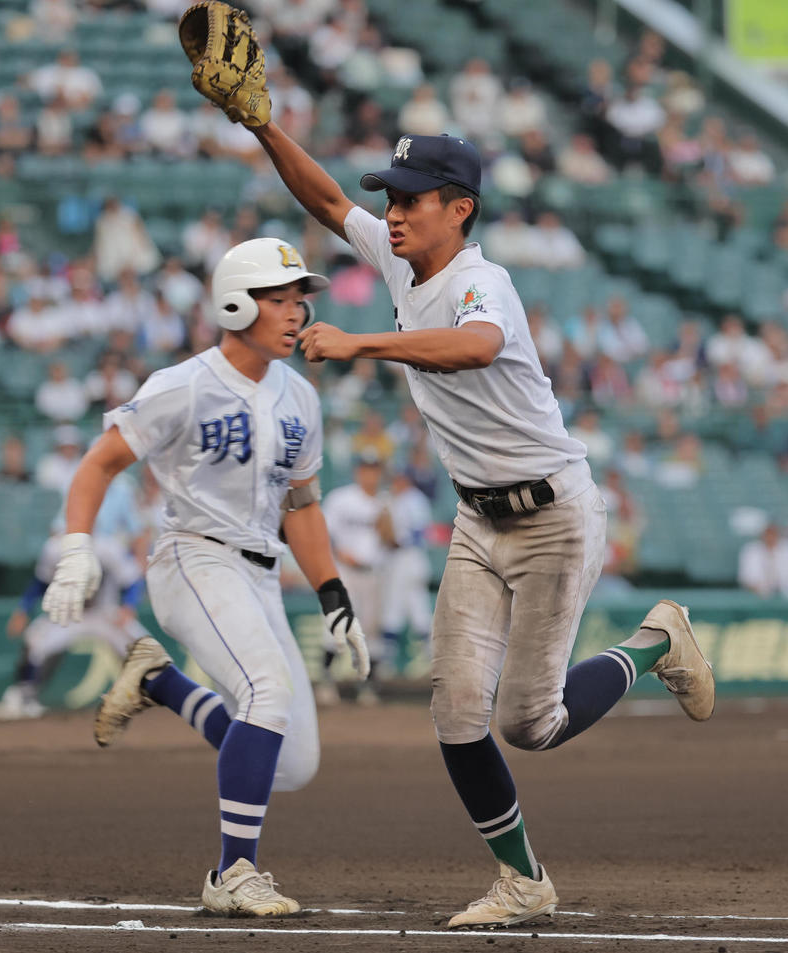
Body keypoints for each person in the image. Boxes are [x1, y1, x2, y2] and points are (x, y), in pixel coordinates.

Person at [248, 117, 714, 929]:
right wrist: (260, 123)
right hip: (476, 519)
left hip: (553, 516)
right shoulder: (398, 259)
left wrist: (362, 343)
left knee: (530, 723)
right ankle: (523, 879)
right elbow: (324, 199)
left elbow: (477, 346)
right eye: (389, 199)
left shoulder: (480, 279)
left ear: (459, 208)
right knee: (457, 712)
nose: (391, 213)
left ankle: (656, 641)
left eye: (410, 200)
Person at [40, 238, 370, 917]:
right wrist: (77, 547)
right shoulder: (184, 384)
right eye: (280, 299)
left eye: (300, 299)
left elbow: (302, 505)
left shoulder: (301, 397)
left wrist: (333, 593)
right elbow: (99, 463)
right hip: (192, 557)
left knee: (293, 763)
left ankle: (160, 681)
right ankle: (233, 872)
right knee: (266, 692)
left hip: (261, 572)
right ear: (235, 304)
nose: (297, 312)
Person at [0, 528, 149, 720]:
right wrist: (23, 609)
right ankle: (23, 696)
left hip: (104, 612)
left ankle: (158, 692)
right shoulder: (54, 548)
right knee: (35, 640)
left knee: (143, 645)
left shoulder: (108, 547)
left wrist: (128, 606)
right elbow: (40, 582)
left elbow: (132, 580)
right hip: (69, 612)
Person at [319, 451, 387, 705]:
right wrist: (338, 553)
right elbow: (324, 533)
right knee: (337, 623)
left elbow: (394, 542)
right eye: (366, 468)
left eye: (374, 469)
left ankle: (368, 686)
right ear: (358, 471)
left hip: (373, 572)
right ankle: (326, 681)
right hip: (344, 571)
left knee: (371, 628)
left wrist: (389, 528)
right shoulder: (341, 499)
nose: (370, 474)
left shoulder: (386, 502)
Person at [377, 467, 434, 676]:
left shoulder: (415, 499)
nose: (396, 482)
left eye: (399, 479)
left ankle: (429, 658)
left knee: (410, 607)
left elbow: (419, 533)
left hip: (411, 557)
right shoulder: (393, 499)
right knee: (406, 608)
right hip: (397, 559)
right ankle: (390, 661)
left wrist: (397, 539)